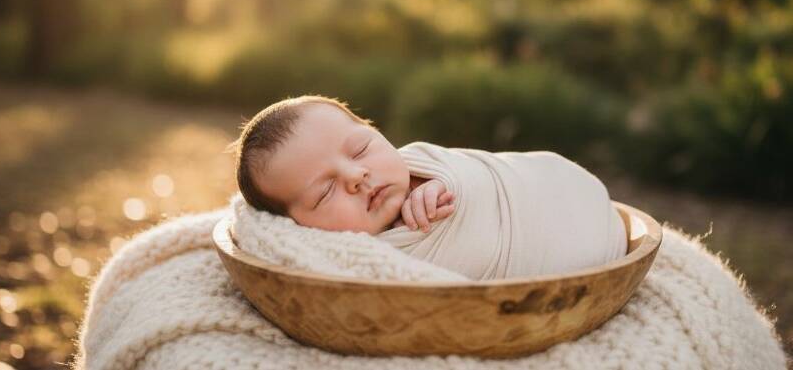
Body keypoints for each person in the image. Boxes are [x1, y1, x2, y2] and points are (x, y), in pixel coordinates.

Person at [232, 94, 628, 280]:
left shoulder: (428, 166)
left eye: (361, 148)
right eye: (323, 193)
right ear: (296, 227)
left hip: (564, 196)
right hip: (564, 270)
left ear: (377, 132)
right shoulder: (339, 265)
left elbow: (478, 177)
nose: (355, 177)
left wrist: (439, 184)